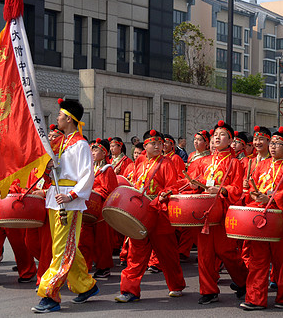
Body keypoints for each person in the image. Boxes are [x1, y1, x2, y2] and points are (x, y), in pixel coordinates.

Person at [32, 98, 98, 313]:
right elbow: (52, 172)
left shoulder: (80, 145)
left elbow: (87, 175)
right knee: (67, 245)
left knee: (61, 249)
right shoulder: (59, 143)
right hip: (55, 198)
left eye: (60, 115)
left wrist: (71, 195)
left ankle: (49, 294)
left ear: (68, 119)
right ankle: (86, 286)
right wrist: (48, 166)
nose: (57, 118)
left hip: (68, 202)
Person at [115, 129, 186, 303]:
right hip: (141, 212)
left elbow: (173, 186)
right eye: (153, 143)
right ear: (145, 145)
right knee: (136, 253)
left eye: (160, 144)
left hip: (159, 213)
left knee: (167, 253)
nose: (157, 146)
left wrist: (165, 194)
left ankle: (176, 285)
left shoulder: (166, 162)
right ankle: (129, 290)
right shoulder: (139, 162)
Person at [242, 127, 283, 311]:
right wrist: (255, 194)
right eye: (272, 143)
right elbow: (253, 185)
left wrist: (272, 199)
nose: (273, 147)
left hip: (280, 221)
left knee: (281, 262)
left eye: (279, 144)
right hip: (260, 218)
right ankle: (255, 298)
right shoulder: (262, 165)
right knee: (258, 260)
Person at [191, 120, 247, 304]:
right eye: (215, 134)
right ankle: (208, 290)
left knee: (228, 252)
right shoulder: (202, 161)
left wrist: (222, 190)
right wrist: (192, 185)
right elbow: (193, 184)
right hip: (205, 212)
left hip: (223, 214)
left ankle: (243, 281)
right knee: (204, 255)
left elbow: (237, 189)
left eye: (222, 135)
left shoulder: (234, 163)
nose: (217, 137)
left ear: (231, 141)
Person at [79, 138, 118, 278]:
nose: (92, 152)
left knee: (102, 241)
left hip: (100, 209)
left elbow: (110, 190)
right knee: (84, 239)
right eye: (92, 149)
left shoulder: (107, 170)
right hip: (87, 208)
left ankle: (104, 267)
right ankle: (84, 266)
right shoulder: (89, 168)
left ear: (104, 152)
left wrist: (95, 192)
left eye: (96, 150)